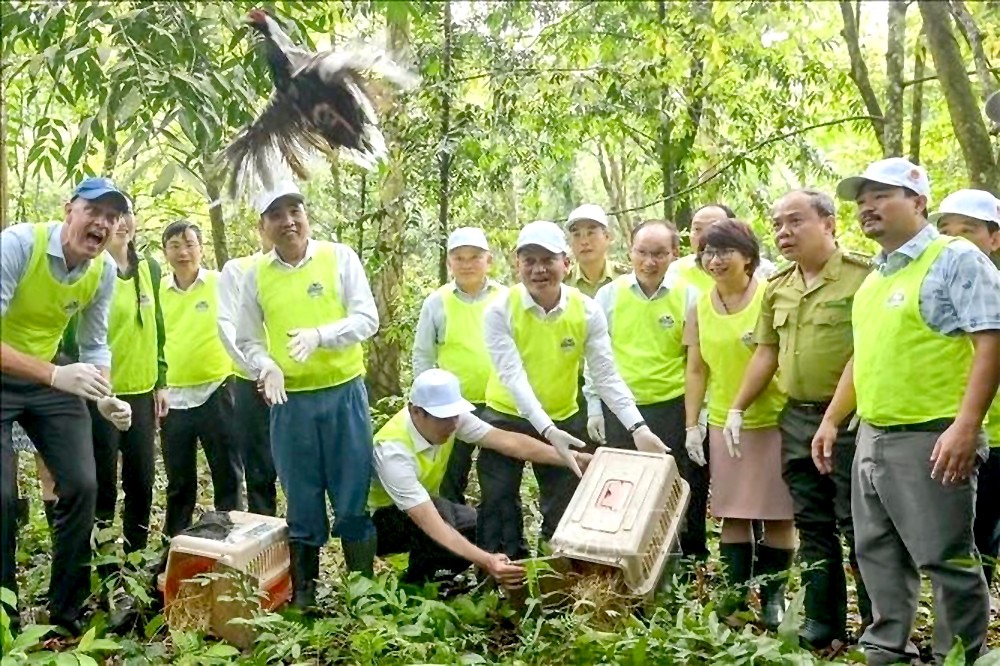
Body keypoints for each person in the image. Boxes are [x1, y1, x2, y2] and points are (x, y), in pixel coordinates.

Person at [813, 158, 1000, 665]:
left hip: (931, 435)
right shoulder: (875, 278)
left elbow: (992, 340)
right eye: (862, 199)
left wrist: (966, 426)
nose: (867, 207)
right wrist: (833, 418)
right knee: (877, 553)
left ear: (918, 202)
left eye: (882, 195)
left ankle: (954, 656)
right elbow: (863, 354)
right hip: (873, 435)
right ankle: (885, 650)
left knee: (946, 559)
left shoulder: (954, 258)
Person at [728, 190, 873, 647]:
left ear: (829, 224)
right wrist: (737, 406)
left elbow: (865, 354)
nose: (784, 233)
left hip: (850, 420)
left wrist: (835, 416)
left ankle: (879, 625)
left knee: (861, 524)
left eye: (795, 221)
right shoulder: (779, 286)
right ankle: (822, 621)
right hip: (796, 418)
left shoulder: (863, 278)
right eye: (777, 224)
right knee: (812, 523)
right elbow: (766, 354)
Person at [479, 220, 668, 560]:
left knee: (564, 502)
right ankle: (500, 579)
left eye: (548, 260)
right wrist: (547, 431)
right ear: (517, 264)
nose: (539, 269)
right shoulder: (499, 310)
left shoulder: (587, 310)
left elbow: (606, 376)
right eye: (529, 260)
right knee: (499, 500)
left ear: (566, 264)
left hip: (564, 415)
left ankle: (557, 575)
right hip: (505, 417)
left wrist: (638, 428)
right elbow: (513, 377)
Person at [236, 180, 380, 609]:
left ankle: (363, 591)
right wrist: (267, 364)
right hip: (290, 404)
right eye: (276, 216)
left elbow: (366, 318)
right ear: (263, 226)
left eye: (294, 211)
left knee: (353, 491)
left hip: (344, 395)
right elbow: (247, 339)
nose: (288, 222)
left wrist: (322, 335)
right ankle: (305, 592)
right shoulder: (257, 275)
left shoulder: (339, 258)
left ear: (307, 215)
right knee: (300, 494)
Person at [0, 177, 133, 634]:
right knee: (0, 498)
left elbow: (95, 345)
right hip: (12, 371)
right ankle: (4, 619)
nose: (102, 223)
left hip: (46, 377)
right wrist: (57, 374)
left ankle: (67, 613)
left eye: (112, 217)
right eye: (93, 210)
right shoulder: (18, 245)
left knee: (81, 484)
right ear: (68, 210)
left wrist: (105, 396)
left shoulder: (104, 271)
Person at [370, 369, 591, 585]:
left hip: (425, 507)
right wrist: (486, 561)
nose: (452, 424)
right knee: (442, 522)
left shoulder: (451, 420)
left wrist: (573, 458)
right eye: (443, 418)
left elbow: (509, 442)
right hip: (380, 523)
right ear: (416, 411)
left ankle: (433, 579)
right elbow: (427, 519)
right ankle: (416, 584)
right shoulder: (393, 453)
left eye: (454, 415)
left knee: (477, 527)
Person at [682, 219, 795, 631]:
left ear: (748, 255)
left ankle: (773, 599)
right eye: (708, 252)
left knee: (780, 513)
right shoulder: (699, 306)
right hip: (723, 423)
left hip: (774, 419)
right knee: (733, 513)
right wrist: (693, 424)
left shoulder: (770, 296)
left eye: (725, 250)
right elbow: (696, 370)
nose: (715, 260)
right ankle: (733, 597)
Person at [584, 220, 709, 561]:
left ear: (674, 254)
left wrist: (698, 417)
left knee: (682, 485)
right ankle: (625, 556)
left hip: (673, 404)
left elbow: (698, 363)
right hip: (621, 407)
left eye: (659, 253)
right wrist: (594, 403)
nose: (650, 262)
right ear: (630, 251)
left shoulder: (690, 296)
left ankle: (687, 558)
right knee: (624, 486)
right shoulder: (609, 295)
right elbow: (595, 356)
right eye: (642, 252)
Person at [61, 203, 168, 598]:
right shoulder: (89, 271)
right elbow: (73, 337)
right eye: (113, 217)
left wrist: (162, 379)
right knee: (104, 483)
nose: (121, 224)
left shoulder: (150, 269)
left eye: (127, 215)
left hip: (142, 392)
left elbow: (157, 326)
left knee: (141, 481)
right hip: (102, 393)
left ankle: (135, 560)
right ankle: (107, 572)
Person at [930, 189, 1000, 606]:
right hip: (951, 428)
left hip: (991, 431)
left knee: (983, 530)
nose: (955, 240)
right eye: (946, 231)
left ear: (994, 238)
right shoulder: (931, 289)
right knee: (960, 533)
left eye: (968, 230)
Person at [159, 220, 242, 538]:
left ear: (201, 248)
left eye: (189, 244)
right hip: (173, 398)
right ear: (165, 252)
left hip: (218, 390)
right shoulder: (157, 292)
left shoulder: (221, 283)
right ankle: (176, 545)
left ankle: (230, 540)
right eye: (175, 246)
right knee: (179, 481)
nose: (183, 252)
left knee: (228, 474)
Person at [411, 227, 506, 505]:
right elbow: (423, 355)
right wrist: (427, 404)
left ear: (488, 260)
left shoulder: (507, 298)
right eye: (459, 258)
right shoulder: (437, 302)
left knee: (499, 480)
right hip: (449, 406)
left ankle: (498, 543)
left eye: (475, 257)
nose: (467, 264)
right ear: (449, 263)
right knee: (450, 478)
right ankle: (452, 541)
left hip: (499, 404)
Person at [218, 229, 277, 516]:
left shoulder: (313, 266)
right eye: (273, 218)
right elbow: (227, 325)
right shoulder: (237, 270)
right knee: (258, 469)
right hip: (250, 382)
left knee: (298, 467)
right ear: (261, 227)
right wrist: (260, 371)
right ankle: (263, 536)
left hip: (298, 383)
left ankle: (301, 547)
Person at [667, 203, 776, 291]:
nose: (705, 236)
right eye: (697, 229)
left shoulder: (764, 271)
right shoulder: (675, 272)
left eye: (713, 227)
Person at [563, 204, 627, 297]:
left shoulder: (626, 279)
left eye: (591, 233)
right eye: (577, 235)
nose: (584, 242)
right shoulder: (563, 285)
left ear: (607, 237)